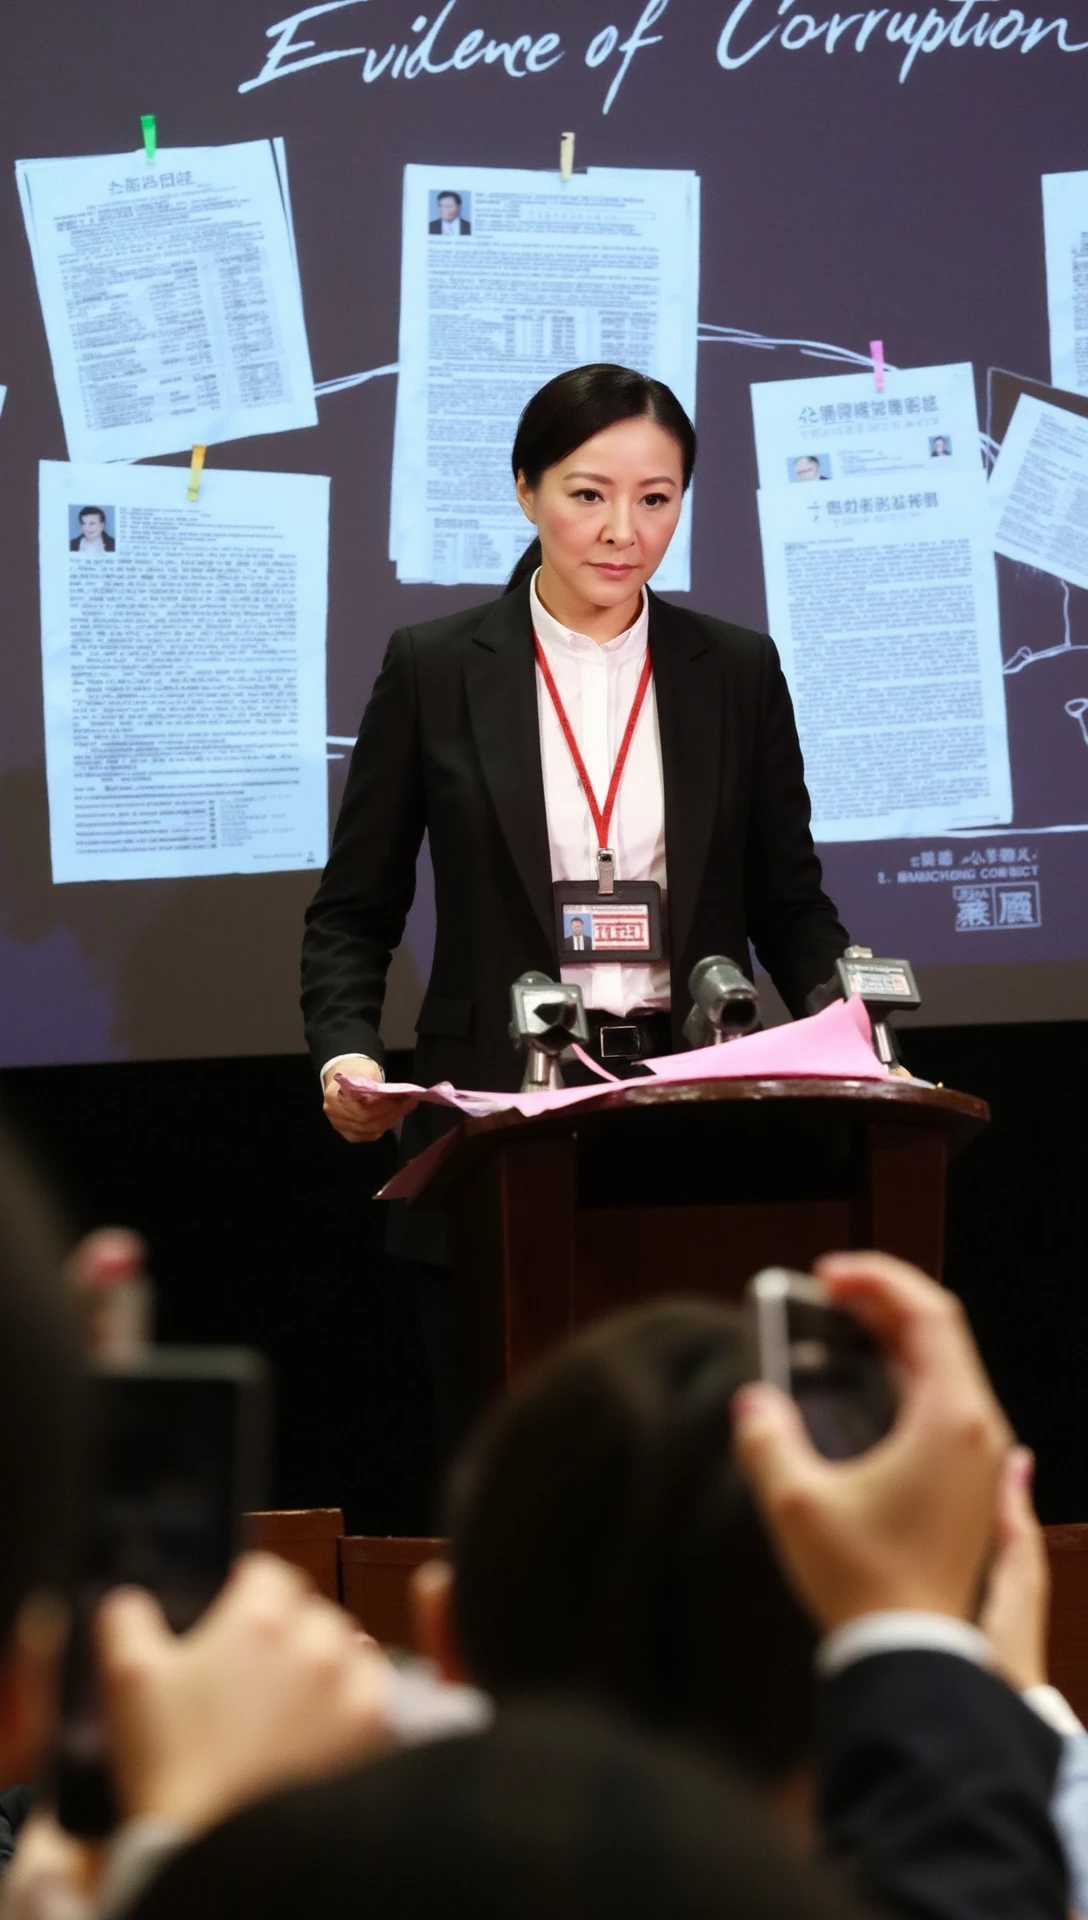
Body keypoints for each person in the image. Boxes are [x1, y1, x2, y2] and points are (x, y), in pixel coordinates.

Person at [301, 363, 850, 1435]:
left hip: (691, 1120)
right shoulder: (435, 667)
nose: (621, 530)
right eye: (586, 493)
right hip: (501, 1119)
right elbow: (354, 906)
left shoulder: (733, 669)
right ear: (523, 490)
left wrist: (855, 1026)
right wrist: (345, 1051)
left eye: (655, 498)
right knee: (511, 1460)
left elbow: (789, 903)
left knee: (691, 1469)